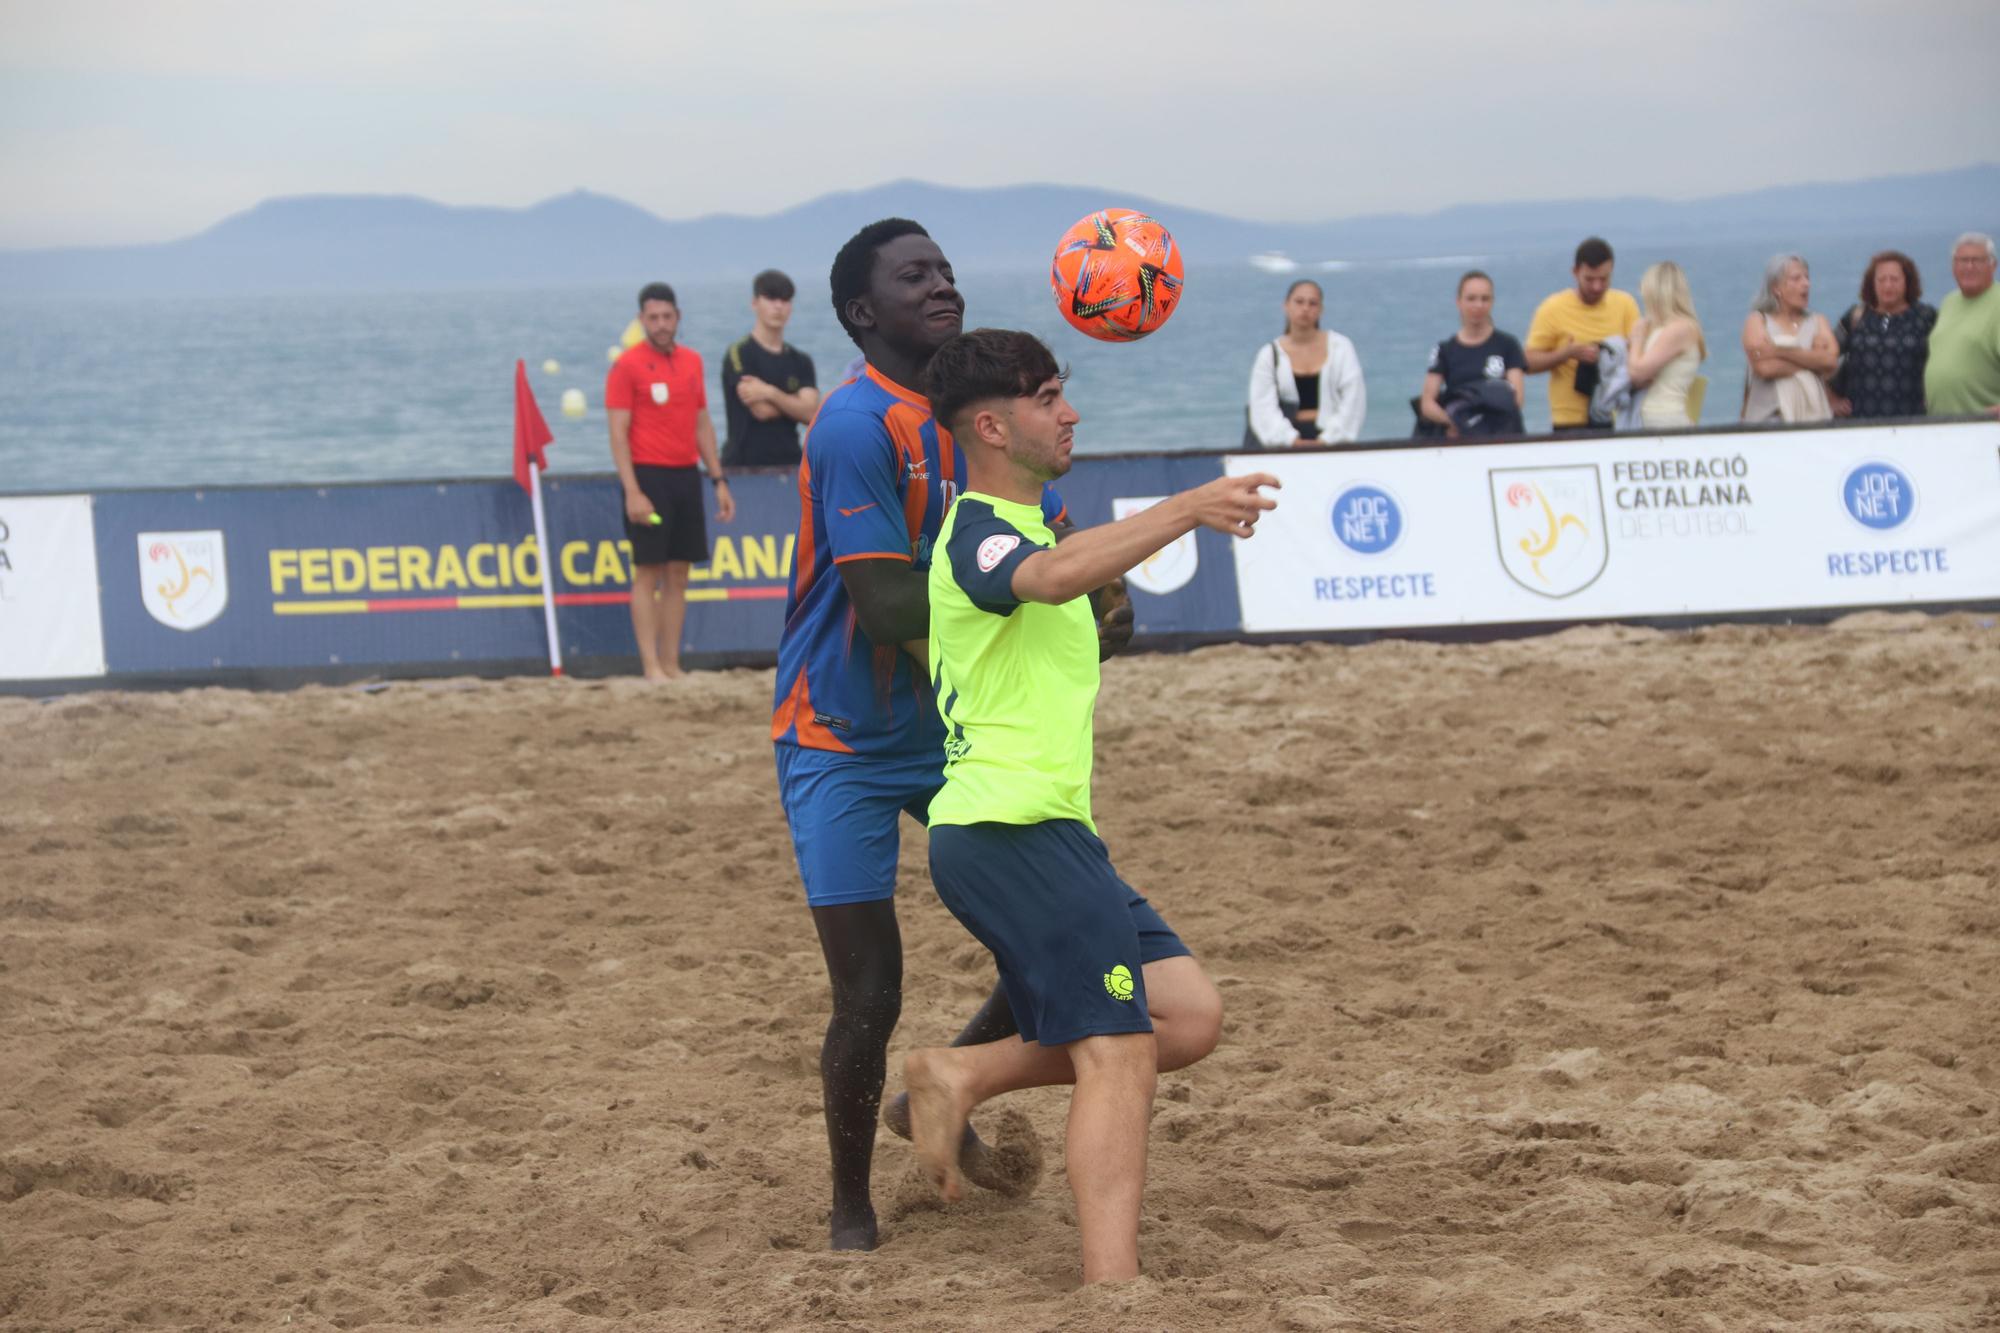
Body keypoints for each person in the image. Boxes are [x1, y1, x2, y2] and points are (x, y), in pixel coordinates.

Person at [770, 219, 1134, 1253]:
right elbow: (888, 607)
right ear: (858, 311)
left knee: (1046, 932)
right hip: (833, 732)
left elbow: (1048, 548)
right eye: (913, 275)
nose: (941, 285)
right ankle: (850, 1205)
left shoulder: (984, 421)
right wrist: (1042, 594)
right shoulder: (851, 427)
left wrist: (1099, 599)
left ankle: (937, 1093)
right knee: (868, 991)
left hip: (947, 726)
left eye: (945, 270)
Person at [905, 327, 1274, 1283]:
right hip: (1002, 829)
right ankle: (1116, 1293)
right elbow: (1048, 578)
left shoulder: (1040, 525)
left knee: (1186, 1016)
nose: (1069, 413)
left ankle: (963, 1071)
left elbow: (1072, 576)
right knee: (1119, 1054)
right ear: (991, 424)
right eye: (1047, 397)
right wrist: (1190, 504)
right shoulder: (976, 528)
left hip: (1056, 832)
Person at [605, 282, 734, 680]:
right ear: (642, 320)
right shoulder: (626, 366)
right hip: (648, 476)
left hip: (686, 475)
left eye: (667, 317)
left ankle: (672, 663)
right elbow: (617, 432)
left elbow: (701, 422)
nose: (661, 324)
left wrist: (718, 479)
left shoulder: (692, 361)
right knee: (648, 570)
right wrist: (632, 491)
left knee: (680, 573)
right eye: (653, 318)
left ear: (678, 317)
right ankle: (650, 666)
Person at [1525, 237, 1640, 431]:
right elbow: (1527, 363)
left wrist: (1611, 355)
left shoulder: (1625, 304)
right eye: (1589, 279)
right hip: (1569, 419)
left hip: (1616, 414)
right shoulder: (1552, 308)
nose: (1597, 287)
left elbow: (1640, 353)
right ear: (1575, 272)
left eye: (1604, 279)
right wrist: (1566, 354)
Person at [1244, 279, 1366, 447]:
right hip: (1282, 447)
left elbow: (1353, 400)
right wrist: (1292, 441)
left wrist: (1327, 440)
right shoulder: (1269, 355)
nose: (1305, 308)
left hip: (1333, 444)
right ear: (1286, 306)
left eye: (1313, 303)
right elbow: (1262, 408)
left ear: (1321, 309)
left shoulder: (1341, 348)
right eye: (1299, 302)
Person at [720, 269, 820, 469]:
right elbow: (761, 410)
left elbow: (811, 414)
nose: (778, 306)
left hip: (792, 464)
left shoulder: (801, 361)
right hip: (743, 467)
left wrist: (769, 391)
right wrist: (794, 405)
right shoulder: (739, 353)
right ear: (755, 303)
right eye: (771, 298)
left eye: (785, 300)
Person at [1417, 270, 1525, 438]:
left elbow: (1517, 399)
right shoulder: (1445, 349)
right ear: (1458, 302)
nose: (1478, 305)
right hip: (1460, 438)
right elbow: (1427, 403)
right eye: (1471, 298)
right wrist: (1456, 422)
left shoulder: (1508, 344)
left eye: (1485, 299)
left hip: (1502, 435)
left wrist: (1484, 425)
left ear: (1492, 302)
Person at [1829, 251, 1934, 420]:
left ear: (1907, 282)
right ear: (1872, 283)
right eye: (1881, 279)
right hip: (1858, 422)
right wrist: (1831, 400)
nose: (1888, 285)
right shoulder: (1856, 316)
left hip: (1913, 421)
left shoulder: (1926, 317)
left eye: (1894, 279)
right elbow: (1823, 359)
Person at [1740, 254, 1839, 424]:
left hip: (1813, 421)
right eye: (1796, 279)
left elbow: (1830, 362)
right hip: (1767, 420)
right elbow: (1765, 368)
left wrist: (1778, 350)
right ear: (1776, 288)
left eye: (1807, 278)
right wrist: (1813, 362)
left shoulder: (1818, 321)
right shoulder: (1757, 321)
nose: (1806, 284)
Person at [1925, 232, 2000, 419]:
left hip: (1984, 428)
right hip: (1943, 422)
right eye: (1962, 261)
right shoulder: (1949, 302)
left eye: (1977, 260)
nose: (1969, 267)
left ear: (1993, 265)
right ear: (1953, 267)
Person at [1628, 261, 1707, 428]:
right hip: (1653, 416)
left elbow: (1637, 372)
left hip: (1663, 417)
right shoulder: (1666, 329)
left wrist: (1637, 339)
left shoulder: (1680, 329)